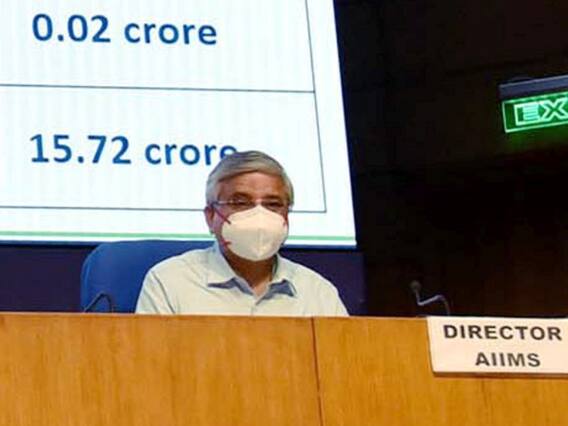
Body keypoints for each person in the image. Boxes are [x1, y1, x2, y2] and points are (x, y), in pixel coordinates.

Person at [135, 150, 348, 316]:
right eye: (240, 202)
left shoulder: (318, 293)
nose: (259, 215)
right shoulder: (170, 282)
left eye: (273, 204)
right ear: (211, 216)